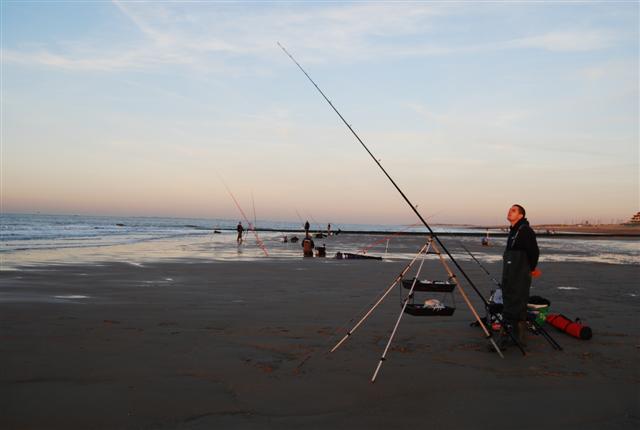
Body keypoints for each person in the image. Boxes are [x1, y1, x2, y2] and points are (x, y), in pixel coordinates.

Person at [500, 204, 540, 348]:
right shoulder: (513, 231)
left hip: (520, 272)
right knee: (508, 299)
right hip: (509, 271)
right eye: (509, 209)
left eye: (513, 210)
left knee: (518, 301)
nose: (509, 212)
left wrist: (532, 269)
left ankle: (518, 337)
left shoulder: (525, 230)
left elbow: (534, 252)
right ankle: (507, 334)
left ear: (521, 215)